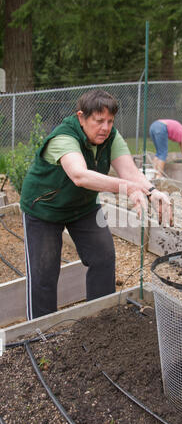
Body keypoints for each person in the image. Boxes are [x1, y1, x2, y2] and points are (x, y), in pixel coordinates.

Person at [20, 89, 171, 320]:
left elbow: (129, 171)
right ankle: (41, 332)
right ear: (81, 117)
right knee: (44, 273)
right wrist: (127, 188)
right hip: (44, 209)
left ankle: (102, 320)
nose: (106, 127)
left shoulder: (111, 137)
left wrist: (152, 192)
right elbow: (80, 175)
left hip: (82, 208)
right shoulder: (64, 137)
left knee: (103, 256)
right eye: (99, 121)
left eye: (110, 121)